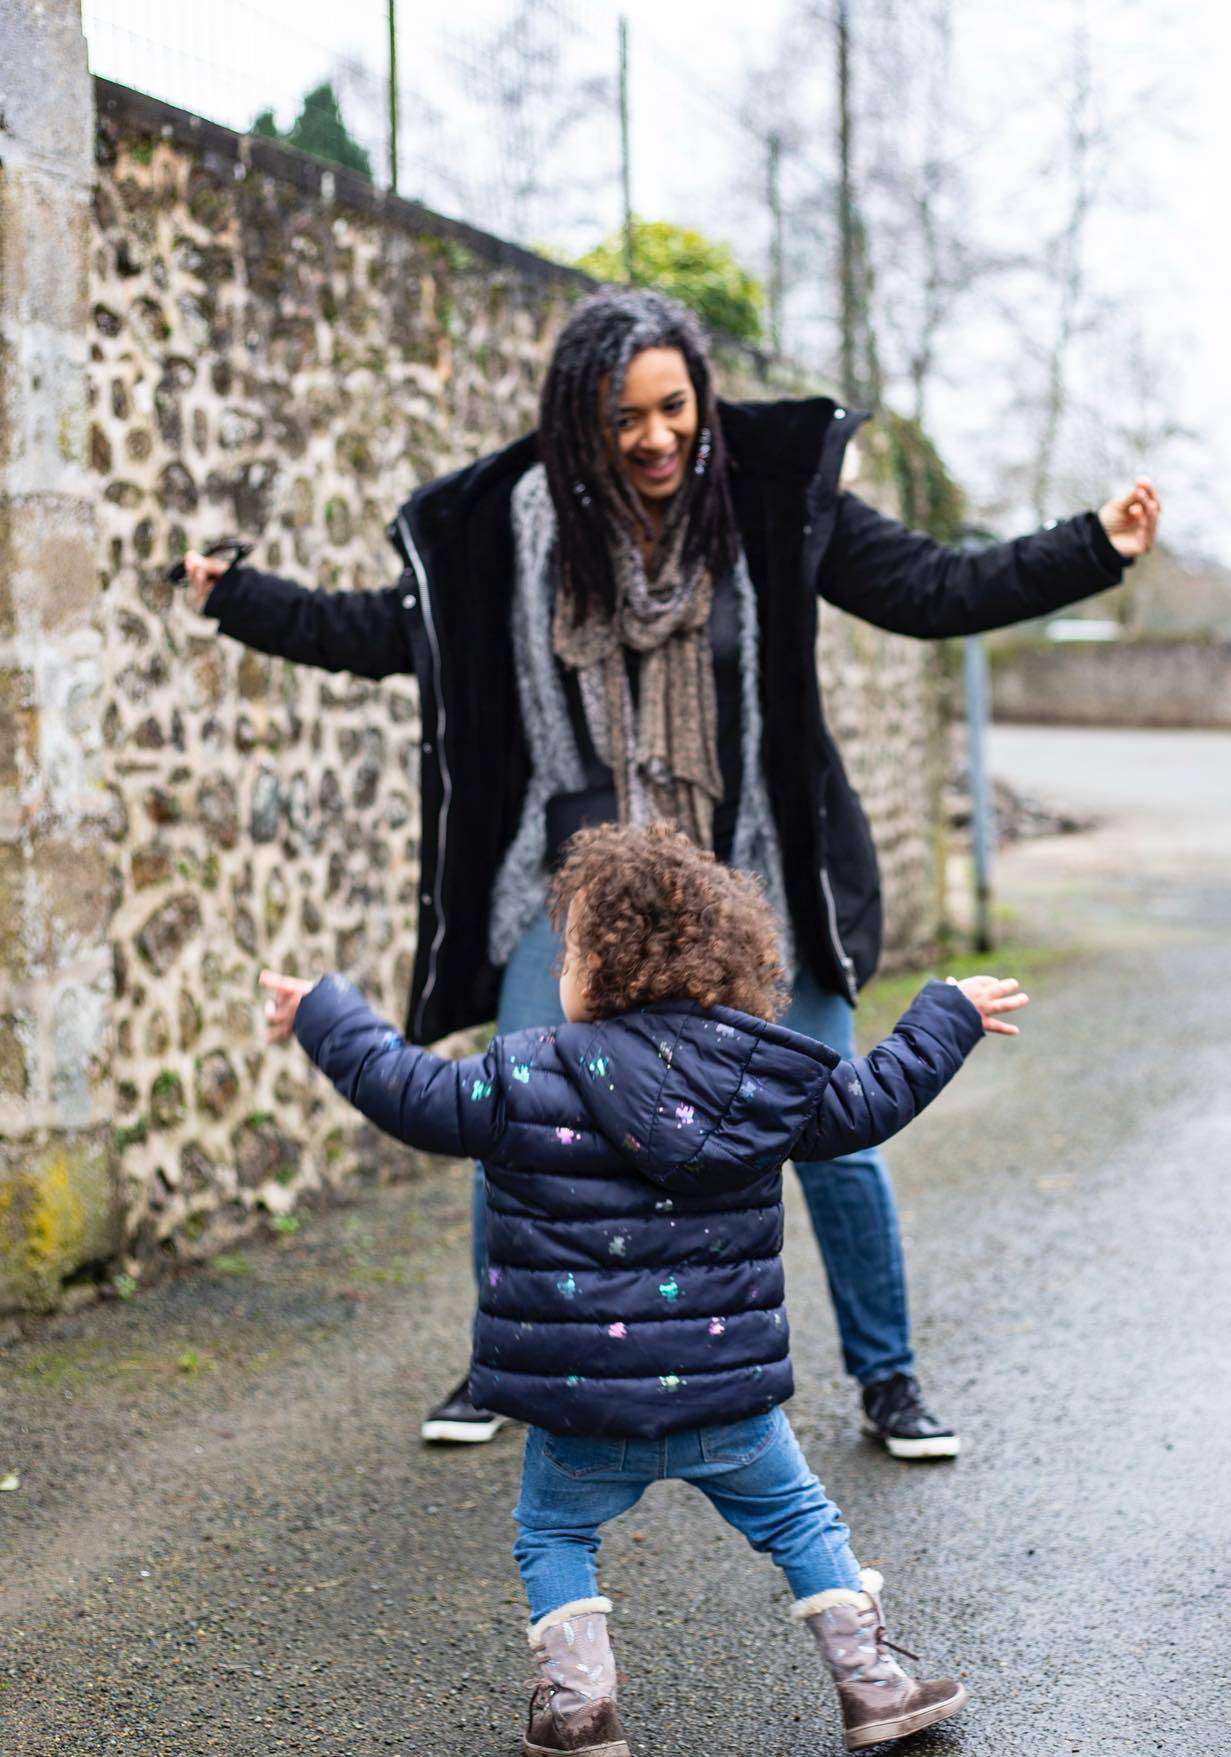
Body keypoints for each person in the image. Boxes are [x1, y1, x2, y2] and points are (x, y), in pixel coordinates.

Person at [185, 287, 1159, 1460]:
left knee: (831, 1126)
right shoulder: (519, 530)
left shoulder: (769, 500)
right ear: (577, 423)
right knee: (519, 1112)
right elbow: (387, 631)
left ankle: (889, 1375)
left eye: (673, 408)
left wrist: (1091, 545)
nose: (654, 437)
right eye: (623, 417)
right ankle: (509, 1360)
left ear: (700, 399)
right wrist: (234, 597)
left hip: (756, 874)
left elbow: (932, 589)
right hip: (578, 885)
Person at [260, 821, 1030, 1757]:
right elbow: (873, 1098)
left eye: (572, 949)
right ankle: (872, 1685)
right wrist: (946, 1014)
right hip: (729, 1398)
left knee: (552, 1527)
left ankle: (580, 1709)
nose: (562, 970)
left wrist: (326, 1014)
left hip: (584, 1403)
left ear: (600, 967)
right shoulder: (765, 1076)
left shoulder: (525, 1071)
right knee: (798, 1519)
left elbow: (405, 1088)